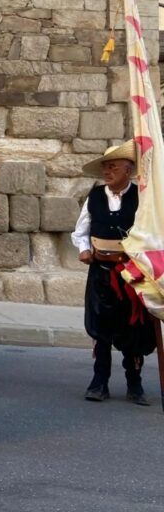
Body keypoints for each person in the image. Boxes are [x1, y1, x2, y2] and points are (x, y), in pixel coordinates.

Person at [71, 141, 156, 405]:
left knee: (132, 329)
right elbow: (80, 231)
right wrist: (84, 249)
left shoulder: (142, 198)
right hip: (100, 272)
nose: (107, 172)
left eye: (113, 167)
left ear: (128, 170)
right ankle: (99, 382)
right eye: (106, 167)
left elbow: (152, 234)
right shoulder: (95, 196)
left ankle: (135, 383)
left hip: (131, 273)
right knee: (101, 330)